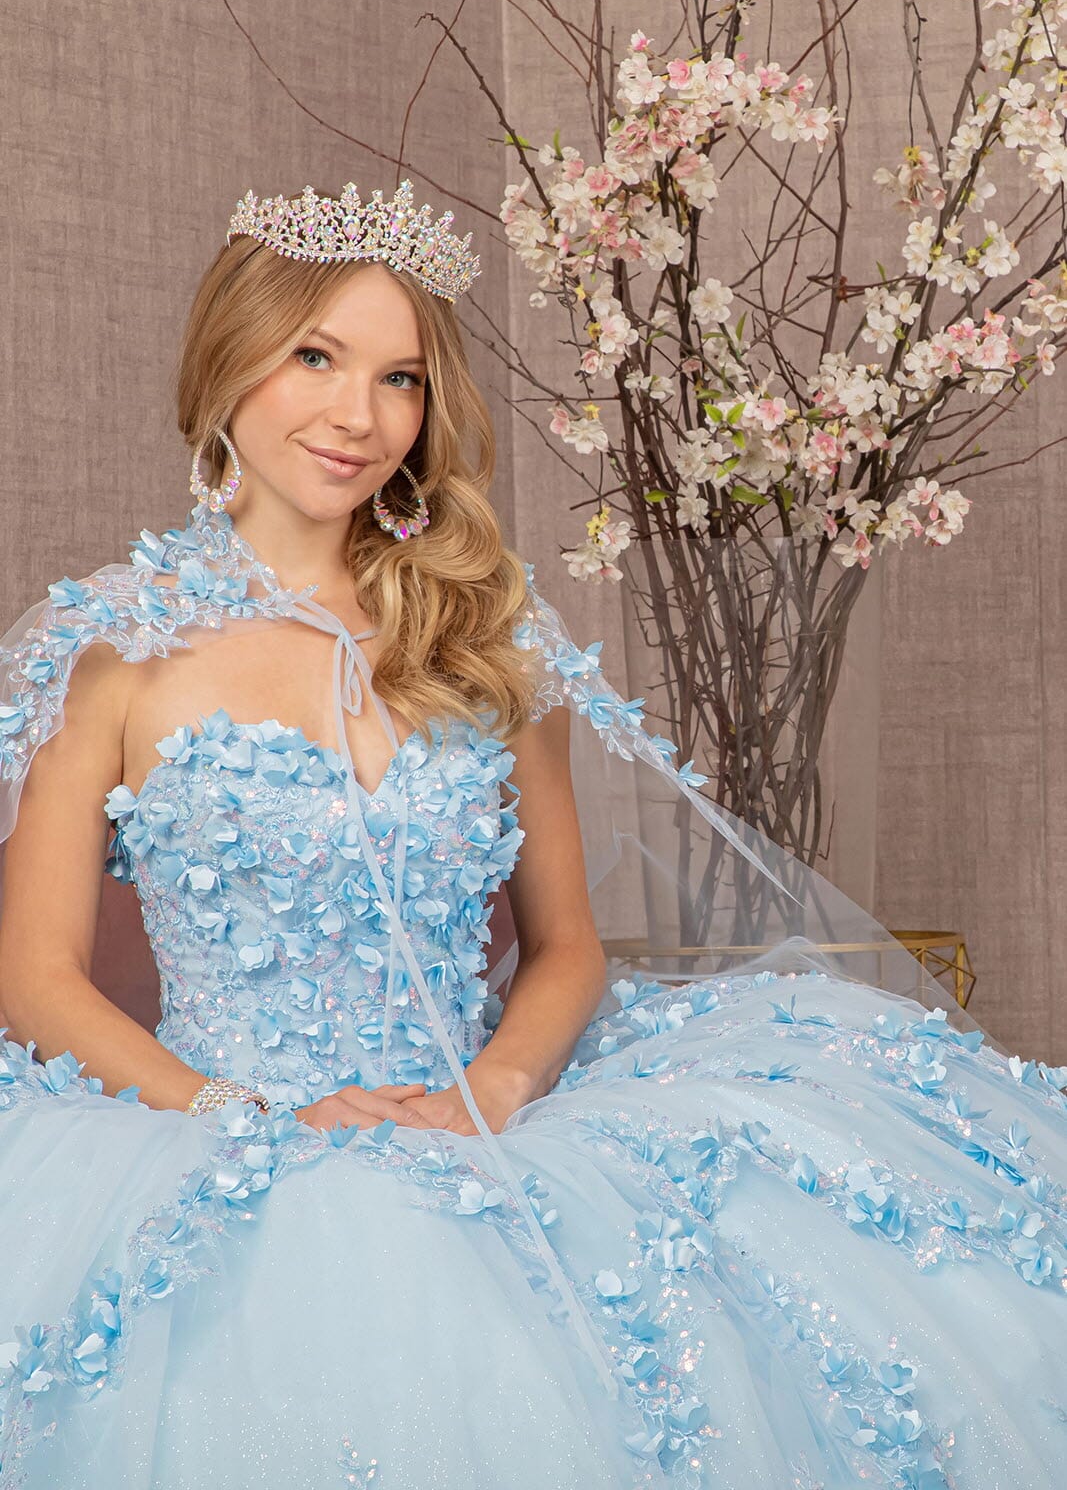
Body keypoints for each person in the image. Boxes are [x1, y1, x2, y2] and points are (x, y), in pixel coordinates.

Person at [0, 179, 1064, 1490]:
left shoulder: (482, 634)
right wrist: (246, 1117)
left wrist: (493, 1091)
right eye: (317, 358)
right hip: (217, 1127)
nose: (359, 415)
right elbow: (35, 976)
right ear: (227, 364)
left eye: (400, 378)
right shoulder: (109, 651)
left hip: (485, 1114)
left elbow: (567, 948)